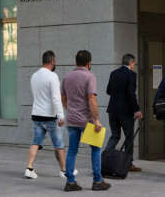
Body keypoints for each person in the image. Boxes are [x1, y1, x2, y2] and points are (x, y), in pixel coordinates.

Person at [61, 50, 111, 192]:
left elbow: (63, 98)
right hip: (87, 121)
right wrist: (96, 120)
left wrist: (70, 109)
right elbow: (92, 99)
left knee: (72, 150)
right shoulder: (89, 76)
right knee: (95, 150)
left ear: (76, 62)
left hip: (72, 120)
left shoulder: (67, 76)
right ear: (89, 63)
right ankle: (97, 181)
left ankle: (70, 182)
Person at [24, 50, 77, 179]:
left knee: (36, 142)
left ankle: (29, 168)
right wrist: (61, 116)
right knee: (59, 144)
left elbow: (36, 95)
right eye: (55, 61)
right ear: (52, 61)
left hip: (37, 114)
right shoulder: (52, 76)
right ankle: (64, 170)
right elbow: (56, 98)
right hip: (50, 116)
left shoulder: (34, 76)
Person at [105, 54, 143, 172]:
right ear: (131, 63)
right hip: (125, 111)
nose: (133, 66)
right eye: (133, 64)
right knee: (129, 137)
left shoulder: (114, 73)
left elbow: (108, 91)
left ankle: (105, 159)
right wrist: (136, 109)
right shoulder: (131, 75)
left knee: (115, 136)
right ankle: (128, 164)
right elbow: (131, 94)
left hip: (112, 110)